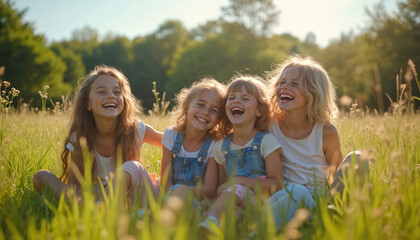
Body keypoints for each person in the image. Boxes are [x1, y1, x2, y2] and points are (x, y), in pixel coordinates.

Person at [32, 65, 162, 206]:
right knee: (41, 176)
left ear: (124, 101)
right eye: (101, 92)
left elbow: (172, 141)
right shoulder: (79, 138)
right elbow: (74, 187)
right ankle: (97, 207)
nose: (111, 95)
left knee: (132, 166)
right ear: (88, 103)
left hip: (130, 194)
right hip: (95, 195)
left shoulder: (137, 130)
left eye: (117, 92)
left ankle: (100, 209)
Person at [266, 55, 369, 228]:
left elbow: (336, 174)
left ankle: (331, 215)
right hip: (289, 197)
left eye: (294, 83)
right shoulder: (270, 125)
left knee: (359, 158)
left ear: (313, 92)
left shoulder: (326, 131)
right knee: (298, 191)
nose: (284, 87)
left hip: (321, 200)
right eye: (282, 82)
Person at [199, 75, 284, 231]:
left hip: (262, 204)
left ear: (259, 111)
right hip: (234, 203)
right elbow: (219, 187)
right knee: (223, 213)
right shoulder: (220, 147)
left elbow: (277, 184)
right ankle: (214, 226)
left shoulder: (266, 141)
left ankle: (210, 221)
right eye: (231, 98)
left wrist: (241, 181)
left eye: (245, 98)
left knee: (236, 189)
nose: (236, 101)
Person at [160, 78, 225, 204]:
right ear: (186, 107)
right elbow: (165, 180)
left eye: (214, 110)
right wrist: (174, 196)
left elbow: (209, 189)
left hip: (196, 201)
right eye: (200, 104)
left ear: (218, 120)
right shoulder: (171, 135)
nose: (205, 112)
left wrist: (182, 194)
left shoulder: (214, 145)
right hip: (169, 195)